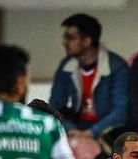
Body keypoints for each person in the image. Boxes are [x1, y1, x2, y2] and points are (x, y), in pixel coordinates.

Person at [49, 13, 129, 141]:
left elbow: (121, 112)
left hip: (107, 131)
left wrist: (91, 133)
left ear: (87, 41)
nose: (65, 43)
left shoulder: (116, 66)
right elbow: (55, 106)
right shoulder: (66, 65)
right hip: (76, 128)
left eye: (70, 38)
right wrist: (71, 130)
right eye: (65, 37)